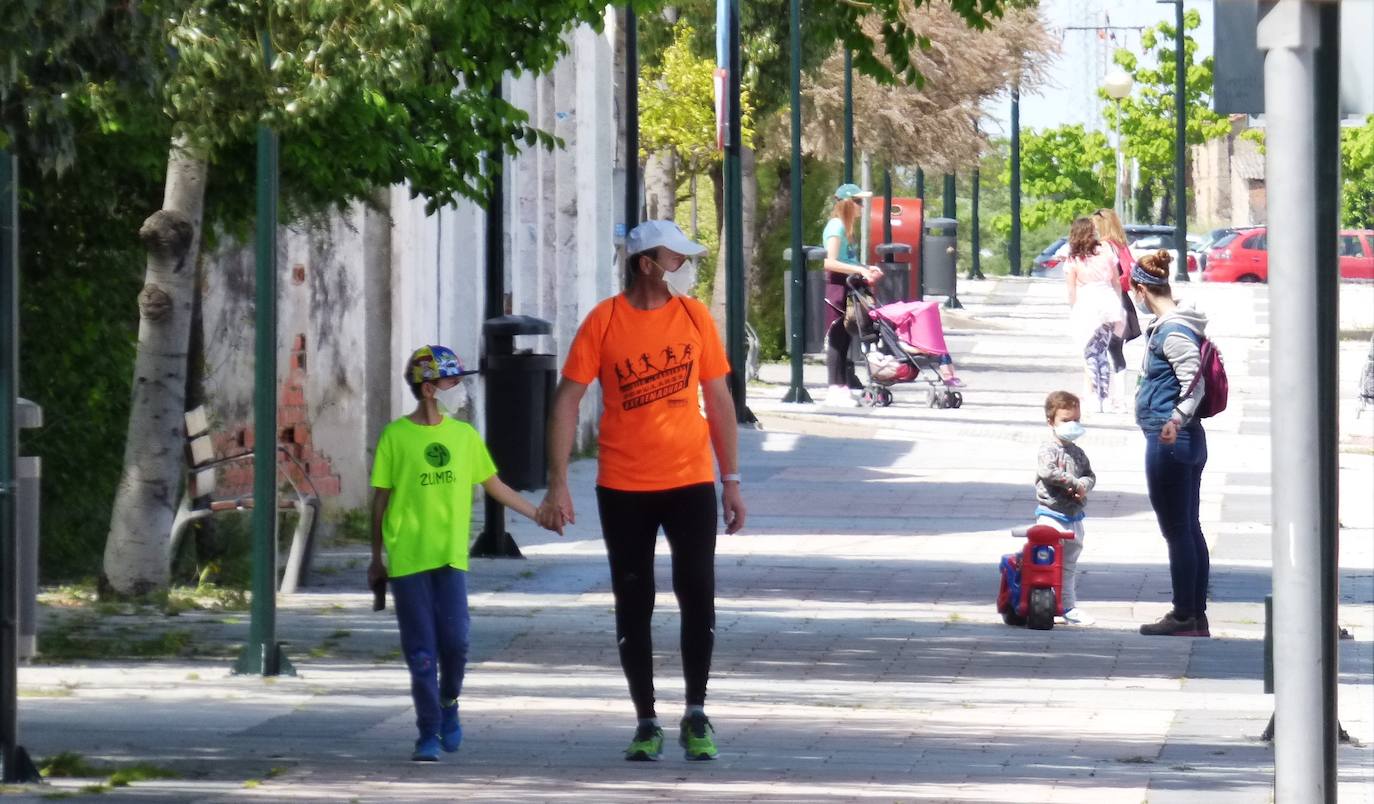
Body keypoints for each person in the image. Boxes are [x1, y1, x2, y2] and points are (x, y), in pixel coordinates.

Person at [537, 219, 747, 762]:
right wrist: (558, 483)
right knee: (635, 601)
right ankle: (646, 720)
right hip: (624, 486)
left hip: (691, 482)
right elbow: (565, 401)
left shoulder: (695, 317)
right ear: (647, 265)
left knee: (697, 592)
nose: (686, 267)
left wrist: (732, 480)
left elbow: (719, 400)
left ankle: (696, 713)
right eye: (677, 259)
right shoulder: (603, 322)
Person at [367, 345, 546, 762]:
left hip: (450, 558)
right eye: (450, 381)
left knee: (457, 643)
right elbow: (379, 500)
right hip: (409, 559)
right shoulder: (395, 437)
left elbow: (495, 485)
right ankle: (427, 731)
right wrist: (376, 559)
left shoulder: (463, 436)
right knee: (422, 651)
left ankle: (449, 702)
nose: (457, 387)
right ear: (428, 389)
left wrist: (540, 515)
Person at [1130, 251, 1211, 638]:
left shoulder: (1174, 331)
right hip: (1182, 438)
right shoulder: (1169, 325)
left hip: (1171, 438)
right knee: (1188, 527)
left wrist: (1175, 419)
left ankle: (1184, 615)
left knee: (1178, 530)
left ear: (1142, 289)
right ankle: (1194, 615)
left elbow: (1195, 381)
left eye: (1134, 291)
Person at [1034, 390, 1096, 626]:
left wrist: (1084, 485)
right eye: (1066, 420)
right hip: (1051, 515)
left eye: (1076, 420)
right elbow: (1047, 472)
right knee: (1046, 561)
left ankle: (1067, 605)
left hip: (1074, 515)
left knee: (1069, 564)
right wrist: (1072, 482)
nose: (1073, 425)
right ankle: (1043, 601)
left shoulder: (1078, 453)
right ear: (1051, 421)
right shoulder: (1048, 449)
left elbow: (1089, 475)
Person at [820, 183, 884, 407]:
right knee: (837, 337)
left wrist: (865, 268)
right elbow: (830, 261)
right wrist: (859, 270)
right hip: (838, 287)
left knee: (846, 337)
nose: (861, 207)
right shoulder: (836, 226)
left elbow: (847, 261)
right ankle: (834, 389)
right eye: (858, 202)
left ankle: (842, 387)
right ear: (846, 203)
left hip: (849, 285)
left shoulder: (846, 229)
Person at [1062, 216, 1126, 414]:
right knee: (1102, 351)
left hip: (1088, 304)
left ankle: (1095, 397)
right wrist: (1118, 301)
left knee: (1090, 353)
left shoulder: (1073, 258)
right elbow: (1116, 280)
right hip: (1107, 302)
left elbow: (1071, 289)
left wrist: (1074, 308)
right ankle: (1104, 396)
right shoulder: (1106, 252)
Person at [1091, 208, 1142, 411]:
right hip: (1122, 301)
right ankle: (1119, 396)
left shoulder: (1104, 246)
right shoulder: (1121, 246)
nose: (1092, 229)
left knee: (1098, 350)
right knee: (1116, 350)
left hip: (1107, 301)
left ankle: (1101, 396)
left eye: (1095, 225)